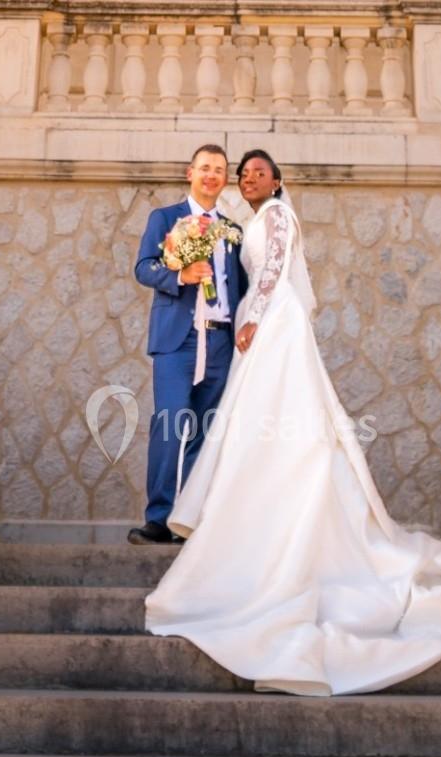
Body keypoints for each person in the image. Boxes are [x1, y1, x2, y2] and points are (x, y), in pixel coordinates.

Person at [144, 149, 441, 696]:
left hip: (269, 324)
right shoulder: (219, 222)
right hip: (230, 328)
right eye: (240, 174)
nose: (246, 180)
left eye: (256, 174)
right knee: (218, 424)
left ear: (277, 181)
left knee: (269, 418)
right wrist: (196, 280)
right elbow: (164, 269)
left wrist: (255, 318)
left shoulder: (275, 216)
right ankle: (176, 514)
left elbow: (270, 272)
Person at [129, 144, 246, 545]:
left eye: (219, 170)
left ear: (225, 179)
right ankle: (159, 517)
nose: (211, 175)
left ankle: (189, 520)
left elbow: (240, 288)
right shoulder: (165, 218)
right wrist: (180, 275)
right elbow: (144, 268)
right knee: (170, 426)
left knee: (205, 431)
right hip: (177, 340)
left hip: (220, 342)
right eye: (205, 168)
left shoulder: (233, 230)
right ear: (189, 173)